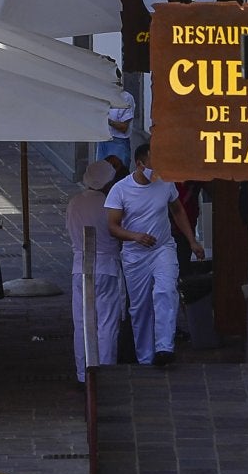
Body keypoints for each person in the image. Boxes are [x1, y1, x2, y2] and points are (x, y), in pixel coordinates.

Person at [104, 143, 204, 366]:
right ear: (140, 164)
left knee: (165, 290)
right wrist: (135, 236)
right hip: (134, 255)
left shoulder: (166, 183)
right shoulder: (120, 190)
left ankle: (164, 347)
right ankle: (146, 357)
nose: (158, 169)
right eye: (153, 164)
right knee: (140, 308)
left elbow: (177, 209)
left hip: (163, 248)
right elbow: (112, 226)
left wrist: (192, 240)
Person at [65, 160, 123, 384]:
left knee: (81, 323)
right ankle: (106, 373)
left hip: (79, 268)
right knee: (106, 324)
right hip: (106, 267)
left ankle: (83, 374)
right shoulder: (110, 204)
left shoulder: (74, 203)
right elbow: (118, 232)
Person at [97, 87, 135, 165]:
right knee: (101, 174)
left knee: (118, 173)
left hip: (118, 142)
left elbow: (124, 127)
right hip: (103, 140)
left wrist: (107, 120)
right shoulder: (104, 95)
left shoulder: (126, 97)